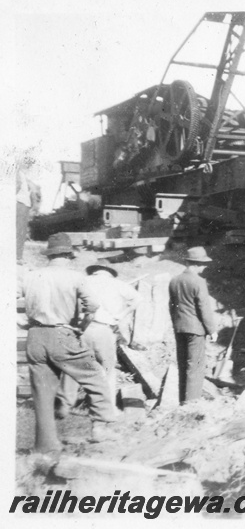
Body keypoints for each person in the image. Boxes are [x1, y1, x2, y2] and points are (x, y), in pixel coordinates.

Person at [18, 233, 118, 453]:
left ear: (49, 255)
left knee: (42, 392)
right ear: (68, 255)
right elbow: (92, 305)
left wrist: (21, 321)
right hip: (63, 334)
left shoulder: (31, 276)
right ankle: (101, 428)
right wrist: (82, 326)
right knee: (95, 376)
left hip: (35, 336)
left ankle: (45, 446)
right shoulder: (75, 277)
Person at [56, 259, 142, 417]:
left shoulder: (83, 281)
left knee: (73, 365)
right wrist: (120, 315)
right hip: (105, 329)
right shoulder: (119, 284)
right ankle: (106, 409)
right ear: (109, 271)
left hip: (82, 328)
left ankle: (65, 404)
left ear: (94, 270)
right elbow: (137, 299)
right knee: (107, 369)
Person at [168, 246, 218, 404]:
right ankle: (192, 403)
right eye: (203, 264)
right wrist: (212, 330)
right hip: (195, 330)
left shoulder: (174, 280)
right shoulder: (198, 281)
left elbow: (171, 306)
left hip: (179, 328)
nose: (205, 267)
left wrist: (176, 323)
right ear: (196, 264)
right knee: (195, 367)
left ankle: (182, 401)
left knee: (183, 365)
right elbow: (204, 307)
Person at [16, 171, 41, 263]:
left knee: (21, 232)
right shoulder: (18, 172)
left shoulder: (22, 174)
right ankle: (17, 257)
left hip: (23, 203)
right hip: (20, 202)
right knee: (20, 231)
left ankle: (18, 256)